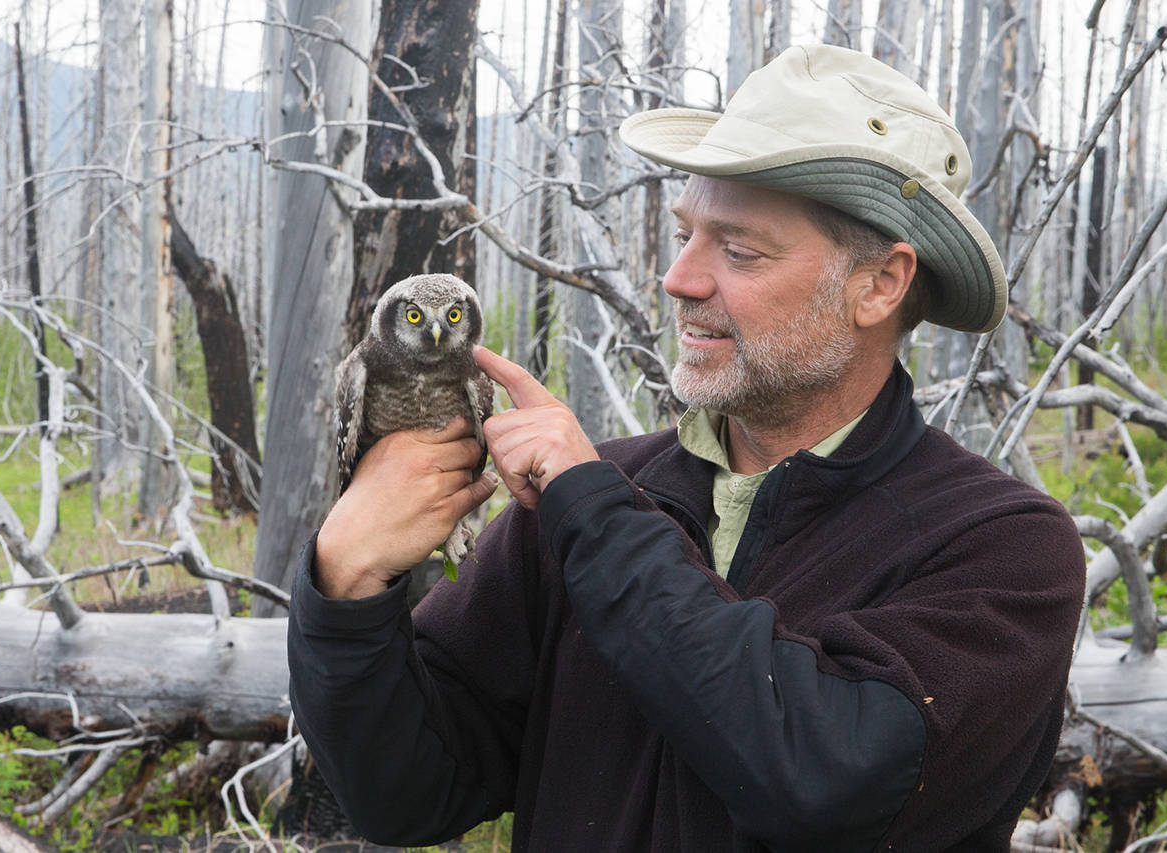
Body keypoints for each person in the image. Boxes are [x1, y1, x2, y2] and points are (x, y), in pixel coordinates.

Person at [287, 45, 1085, 852]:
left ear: (879, 284)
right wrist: (344, 588)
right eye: (685, 234)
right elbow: (406, 793)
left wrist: (593, 515)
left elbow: (828, 776)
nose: (678, 278)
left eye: (738, 249)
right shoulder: (590, 496)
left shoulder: (1006, 549)